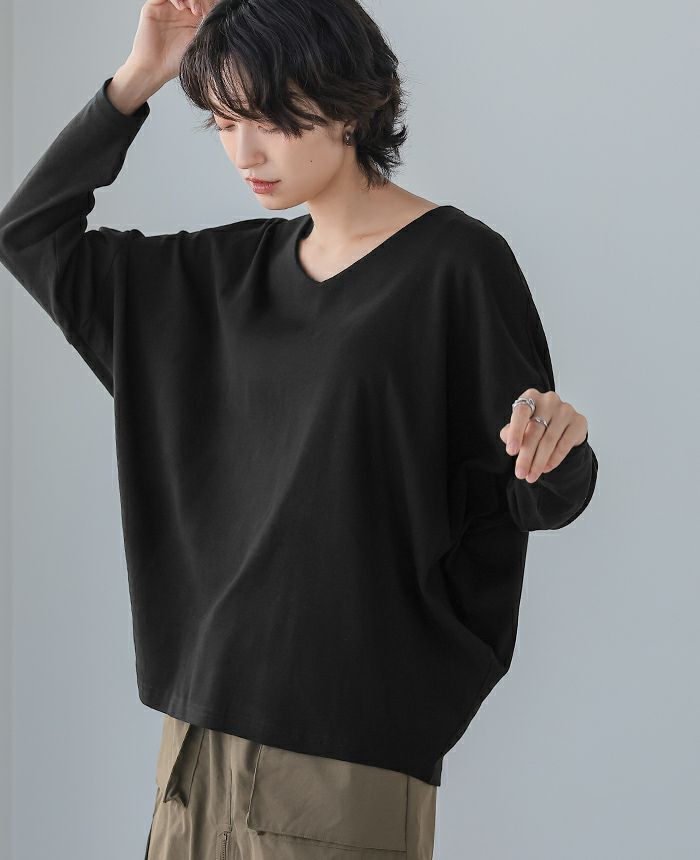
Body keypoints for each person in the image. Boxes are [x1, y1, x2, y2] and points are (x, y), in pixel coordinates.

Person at [0, 1, 598, 858]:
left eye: (271, 119)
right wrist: (137, 79)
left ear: (348, 103)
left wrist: (559, 451)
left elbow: (531, 494)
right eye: (224, 122)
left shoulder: (455, 268)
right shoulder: (220, 277)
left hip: (341, 757)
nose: (244, 153)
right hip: (195, 742)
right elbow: (28, 234)